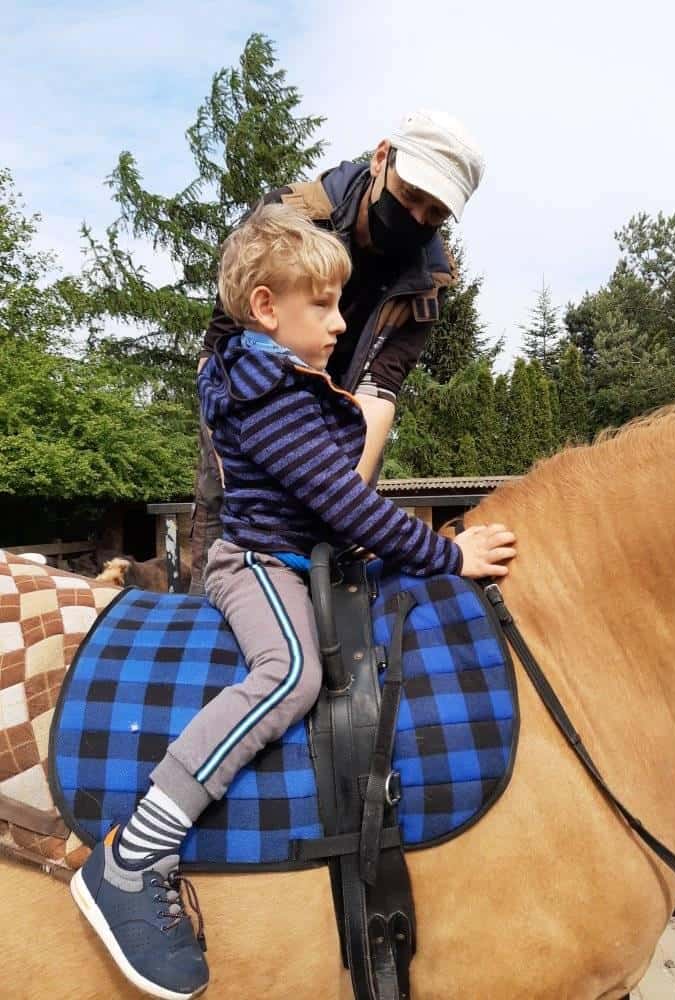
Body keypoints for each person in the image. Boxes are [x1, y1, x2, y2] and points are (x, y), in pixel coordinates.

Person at [70, 204, 516, 1000]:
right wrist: (448, 553)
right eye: (324, 305)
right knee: (289, 675)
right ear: (267, 308)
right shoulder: (261, 388)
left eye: (343, 304)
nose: (342, 322)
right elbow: (343, 503)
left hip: (297, 555)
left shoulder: (277, 377)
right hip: (256, 566)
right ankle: (136, 853)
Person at [190, 108, 486, 594]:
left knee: (344, 558)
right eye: (411, 196)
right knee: (227, 548)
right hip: (253, 405)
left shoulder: (431, 282)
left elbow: (379, 386)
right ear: (381, 158)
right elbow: (219, 347)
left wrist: (340, 498)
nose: (416, 219)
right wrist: (232, 456)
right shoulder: (287, 218)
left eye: (435, 213)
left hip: (341, 421)